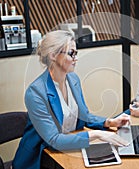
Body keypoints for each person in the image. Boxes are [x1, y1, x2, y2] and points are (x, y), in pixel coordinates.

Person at [12, 30, 130, 169]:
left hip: (69, 149)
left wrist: (109, 122)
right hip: (41, 157)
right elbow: (54, 140)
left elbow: (84, 116)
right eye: (71, 53)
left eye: (76, 53)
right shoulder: (36, 92)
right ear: (53, 55)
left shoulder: (73, 79)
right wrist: (97, 134)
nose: (76, 58)